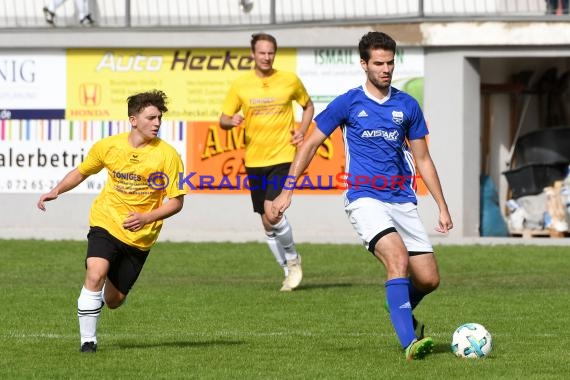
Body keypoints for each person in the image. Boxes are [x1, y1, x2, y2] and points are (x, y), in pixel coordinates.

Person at [271, 31, 453, 360]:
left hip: (402, 199)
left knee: (428, 279)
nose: (385, 69)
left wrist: (441, 206)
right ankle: (410, 342)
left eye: (390, 63)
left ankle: (397, 302)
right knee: (397, 260)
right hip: (364, 197)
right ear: (364, 64)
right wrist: (287, 191)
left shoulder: (407, 105)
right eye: (379, 63)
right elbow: (310, 143)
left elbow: (423, 158)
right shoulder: (348, 102)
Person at [37, 90, 186, 353]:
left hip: (140, 237)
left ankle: (95, 300)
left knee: (114, 300)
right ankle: (88, 342)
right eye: (151, 117)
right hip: (106, 222)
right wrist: (56, 190)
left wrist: (145, 217)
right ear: (133, 120)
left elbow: (177, 202)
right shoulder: (108, 146)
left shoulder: (169, 156)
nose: (157, 123)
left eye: (159, 118)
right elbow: (83, 171)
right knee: (95, 273)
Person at [219, 33, 314, 291]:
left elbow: (308, 106)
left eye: (270, 52)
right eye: (261, 52)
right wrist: (232, 121)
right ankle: (287, 271)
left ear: (275, 53)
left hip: (283, 157)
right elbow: (223, 119)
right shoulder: (241, 85)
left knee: (274, 212)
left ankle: (293, 260)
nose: (266, 57)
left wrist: (302, 131)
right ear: (253, 54)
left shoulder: (289, 80)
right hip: (254, 160)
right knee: (266, 222)